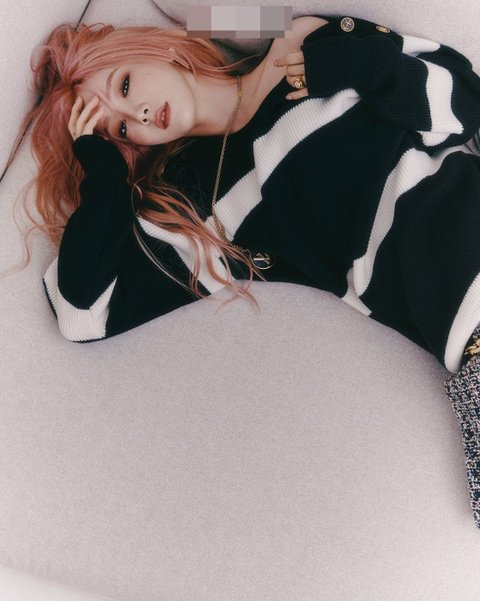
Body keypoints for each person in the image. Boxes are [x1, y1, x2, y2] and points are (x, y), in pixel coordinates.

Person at [12, 13, 480, 529]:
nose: (138, 113)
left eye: (125, 85)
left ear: (158, 50)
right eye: (119, 128)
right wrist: (103, 174)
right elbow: (81, 312)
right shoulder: (201, 206)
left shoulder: (304, 38)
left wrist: (353, 64)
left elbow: (465, 102)